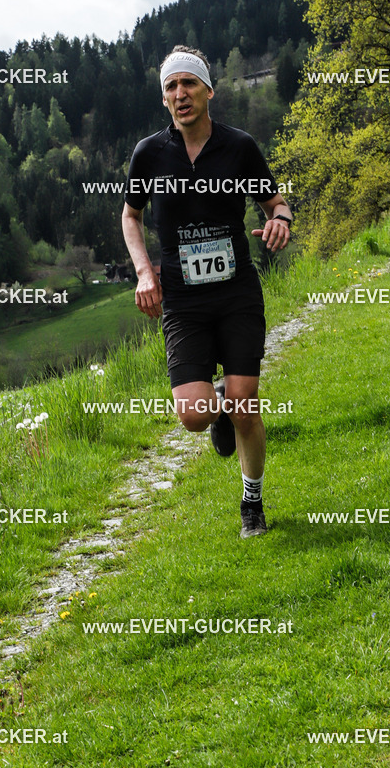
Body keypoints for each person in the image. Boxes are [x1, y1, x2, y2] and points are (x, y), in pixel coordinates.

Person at [122, 45, 292, 537]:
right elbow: (130, 215)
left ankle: (252, 504)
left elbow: (274, 202)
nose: (180, 94)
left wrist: (279, 221)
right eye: (171, 87)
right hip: (184, 299)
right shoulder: (150, 153)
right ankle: (215, 401)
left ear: (208, 91)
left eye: (188, 84)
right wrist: (144, 272)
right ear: (164, 99)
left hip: (236, 291)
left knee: (246, 402)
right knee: (195, 416)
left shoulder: (238, 147)